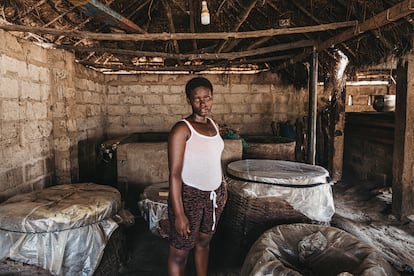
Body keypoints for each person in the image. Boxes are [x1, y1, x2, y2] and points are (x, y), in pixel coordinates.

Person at [167, 77, 227, 276]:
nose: (203, 103)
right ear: (189, 100)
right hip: (189, 196)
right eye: (197, 99)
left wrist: (221, 187)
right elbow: (174, 174)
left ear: (212, 97)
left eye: (207, 98)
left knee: (203, 243)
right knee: (180, 251)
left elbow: (213, 159)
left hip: (214, 196)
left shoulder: (214, 125)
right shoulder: (182, 129)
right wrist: (179, 214)